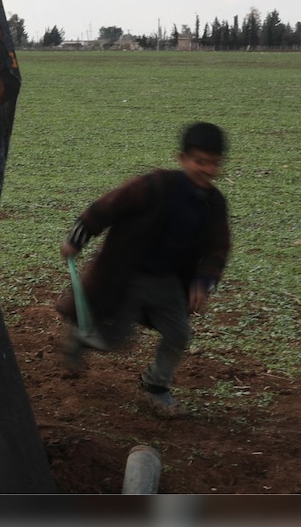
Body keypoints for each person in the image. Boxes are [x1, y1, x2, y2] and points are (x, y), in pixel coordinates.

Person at [57, 122, 232, 417]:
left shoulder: (214, 205)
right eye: (200, 161)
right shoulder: (155, 185)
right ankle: (79, 336)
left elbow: (218, 248)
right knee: (114, 340)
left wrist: (204, 281)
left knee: (179, 334)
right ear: (182, 159)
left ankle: (155, 387)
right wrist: (78, 237)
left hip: (168, 283)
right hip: (128, 278)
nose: (207, 169)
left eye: (214, 163)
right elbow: (108, 206)